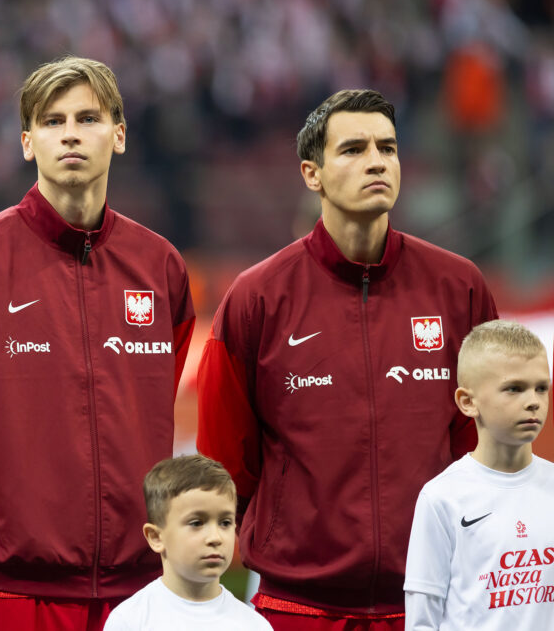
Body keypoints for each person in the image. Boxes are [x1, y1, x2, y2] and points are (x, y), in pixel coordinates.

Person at [0, 55, 195, 630]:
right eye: (53, 121)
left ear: (119, 134)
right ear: (27, 141)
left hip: (138, 592)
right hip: (12, 593)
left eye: (87, 118)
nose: (71, 135)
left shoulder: (161, 267)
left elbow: (155, 405)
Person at [196, 89, 499, 628]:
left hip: (432, 605)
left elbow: (482, 448)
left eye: (388, 147)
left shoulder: (460, 289)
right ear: (312, 174)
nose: (377, 161)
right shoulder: (256, 299)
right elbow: (225, 464)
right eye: (354, 148)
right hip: (298, 608)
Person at [404, 319, 554, 629]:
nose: (533, 402)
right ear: (468, 402)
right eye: (514, 388)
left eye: (542, 388)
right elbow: (422, 619)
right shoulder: (441, 498)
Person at [103, 454, 272, 630]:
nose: (215, 537)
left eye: (225, 523)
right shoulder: (129, 621)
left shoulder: (254, 625)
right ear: (156, 537)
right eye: (197, 523)